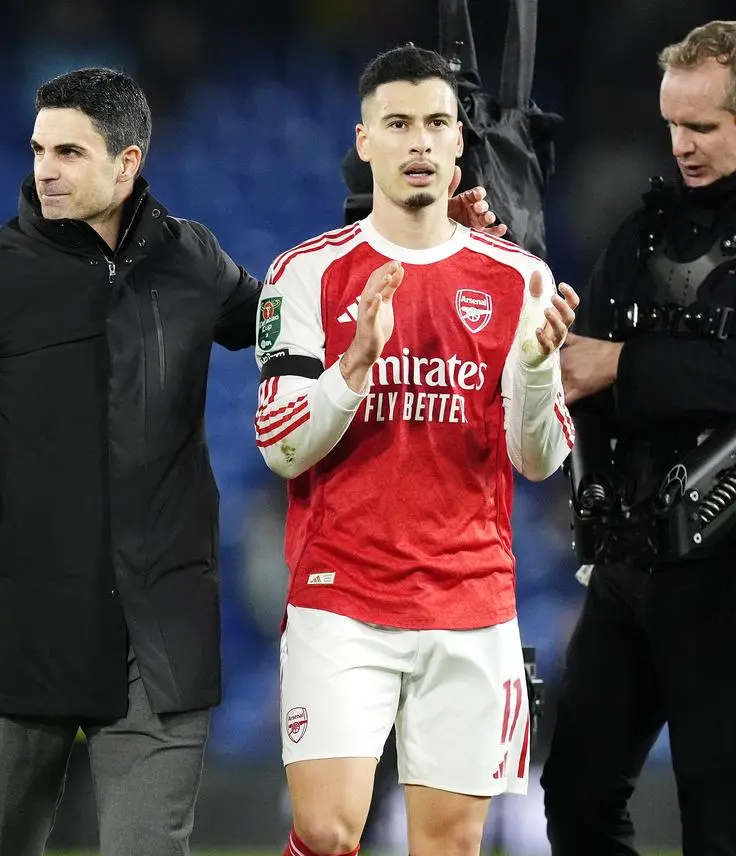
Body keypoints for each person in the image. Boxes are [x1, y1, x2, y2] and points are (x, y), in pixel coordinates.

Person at [0, 66, 504, 856]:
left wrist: (434, 242)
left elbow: (293, 319)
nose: (45, 171)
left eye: (69, 152)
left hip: (158, 634)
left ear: (127, 164)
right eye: (38, 150)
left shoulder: (189, 258)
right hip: (22, 628)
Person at [254, 44, 579, 856]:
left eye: (437, 123)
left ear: (460, 142)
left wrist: (538, 370)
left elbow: (538, 459)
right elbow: (281, 448)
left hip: (469, 601)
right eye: (397, 124)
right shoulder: (306, 274)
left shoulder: (518, 280)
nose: (420, 143)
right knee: (327, 831)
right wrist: (352, 369)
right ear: (364, 141)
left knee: (450, 847)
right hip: (342, 594)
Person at [541, 20, 736, 856]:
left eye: (704, 126)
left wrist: (625, 366)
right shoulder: (641, 232)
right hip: (630, 567)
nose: (682, 146)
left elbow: (611, 365)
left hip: (727, 575)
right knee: (575, 797)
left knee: (720, 821)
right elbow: (579, 368)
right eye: (671, 126)